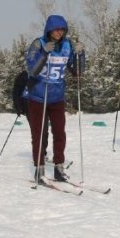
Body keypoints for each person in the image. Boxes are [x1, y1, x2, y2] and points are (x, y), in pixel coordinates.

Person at [25, 15, 85, 183]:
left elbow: (78, 72)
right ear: (49, 29)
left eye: (62, 29)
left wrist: (80, 54)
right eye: (57, 29)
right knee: (39, 134)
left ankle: (59, 168)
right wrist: (44, 53)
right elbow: (32, 70)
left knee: (60, 133)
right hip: (38, 96)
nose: (60, 32)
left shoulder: (67, 45)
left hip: (57, 97)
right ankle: (39, 169)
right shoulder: (38, 44)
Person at [12, 69, 49, 160]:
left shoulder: (46, 74)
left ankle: (42, 153)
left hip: (43, 105)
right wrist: (18, 106)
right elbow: (16, 91)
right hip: (29, 104)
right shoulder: (24, 74)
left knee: (44, 130)